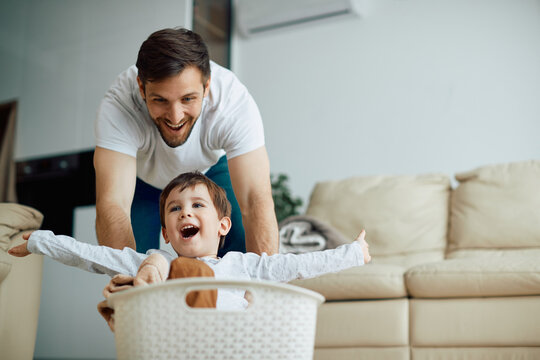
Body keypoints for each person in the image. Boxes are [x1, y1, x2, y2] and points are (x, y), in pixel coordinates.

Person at [9, 172, 371, 315]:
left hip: (232, 347)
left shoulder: (244, 266)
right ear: (166, 231)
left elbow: (297, 265)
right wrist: (43, 241)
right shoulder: (155, 263)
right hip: (177, 345)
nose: (185, 214)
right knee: (166, 267)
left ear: (223, 225)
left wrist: (352, 253)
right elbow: (95, 257)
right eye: (175, 209)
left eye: (198, 206)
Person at [94, 27, 277, 257]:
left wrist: (260, 290)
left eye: (188, 99)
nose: (175, 116)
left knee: (237, 236)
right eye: (160, 100)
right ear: (141, 88)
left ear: (207, 86)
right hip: (141, 180)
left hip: (210, 169)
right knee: (131, 259)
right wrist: (131, 285)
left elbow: (255, 200)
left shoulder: (232, 103)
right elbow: (113, 203)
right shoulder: (120, 105)